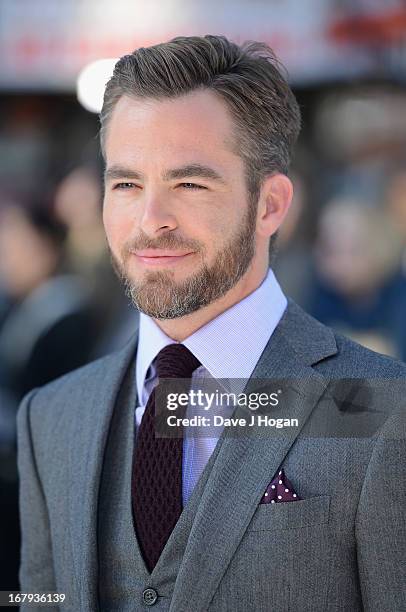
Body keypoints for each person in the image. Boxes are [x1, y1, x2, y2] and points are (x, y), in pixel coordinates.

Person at [17, 35, 406, 611]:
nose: (151, 221)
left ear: (270, 205)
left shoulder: (379, 408)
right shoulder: (52, 417)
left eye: (189, 183)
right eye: (126, 183)